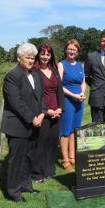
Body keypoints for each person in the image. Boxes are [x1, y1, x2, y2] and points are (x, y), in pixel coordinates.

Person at [1, 43, 47, 202]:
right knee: (17, 159)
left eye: (32, 57)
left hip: (34, 125)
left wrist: (42, 113)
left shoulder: (35, 74)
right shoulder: (12, 76)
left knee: (28, 158)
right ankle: (13, 192)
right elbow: (17, 103)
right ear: (19, 58)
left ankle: (26, 185)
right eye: (27, 57)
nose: (30, 60)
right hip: (17, 126)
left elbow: (41, 97)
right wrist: (32, 118)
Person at [31, 44, 64, 182]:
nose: (45, 57)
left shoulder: (55, 71)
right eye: (43, 54)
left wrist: (60, 108)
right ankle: (36, 172)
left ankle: (49, 170)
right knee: (40, 143)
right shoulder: (34, 72)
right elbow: (34, 95)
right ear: (38, 55)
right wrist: (47, 111)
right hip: (43, 112)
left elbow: (60, 91)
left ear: (51, 56)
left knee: (52, 143)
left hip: (56, 113)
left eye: (48, 54)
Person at [57, 39, 86, 171]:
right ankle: (64, 160)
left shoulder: (81, 65)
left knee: (75, 130)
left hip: (79, 101)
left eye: (74, 49)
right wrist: (74, 96)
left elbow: (83, 83)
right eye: (69, 49)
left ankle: (73, 157)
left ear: (78, 51)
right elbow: (59, 85)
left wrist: (82, 93)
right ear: (65, 50)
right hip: (67, 100)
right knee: (65, 131)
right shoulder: (61, 64)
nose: (72, 51)